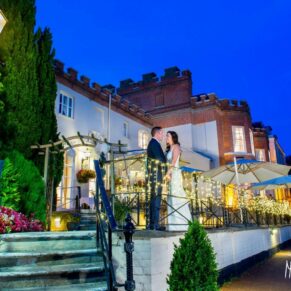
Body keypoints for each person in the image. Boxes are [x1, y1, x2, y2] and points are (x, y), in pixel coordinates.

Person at [165, 131, 192, 231]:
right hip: (171, 174)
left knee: (177, 196)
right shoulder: (169, 148)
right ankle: (173, 224)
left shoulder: (176, 146)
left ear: (172, 137)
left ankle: (182, 223)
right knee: (171, 197)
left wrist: (168, 173)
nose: (166, 137)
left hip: (175, 173)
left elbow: (174, 161)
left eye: (167, 136)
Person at [147, 126, 167, 230]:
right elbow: (159, 159)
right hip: (156, 174)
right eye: (162, 133)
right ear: (157, 133)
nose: (163, 135)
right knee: (156, 198)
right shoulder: (154, 143)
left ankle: (153, 223)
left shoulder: (153, 143)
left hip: (154, 174)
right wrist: (166, 168)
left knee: (154, 198)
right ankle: (155, 224)